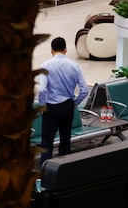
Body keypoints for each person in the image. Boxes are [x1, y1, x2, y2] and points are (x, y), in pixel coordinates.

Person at [37, 36, 89, 164]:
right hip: (67, 107)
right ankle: (63, 173)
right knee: (65, 141)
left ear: (52, 50)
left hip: (51, 108)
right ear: (65, 50)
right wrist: (75, 103)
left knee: (47, 143)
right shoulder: (75, 66)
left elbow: (42, 90)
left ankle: (46, 174)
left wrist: (42, 105)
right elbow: (84, 90)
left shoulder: (45, 66)